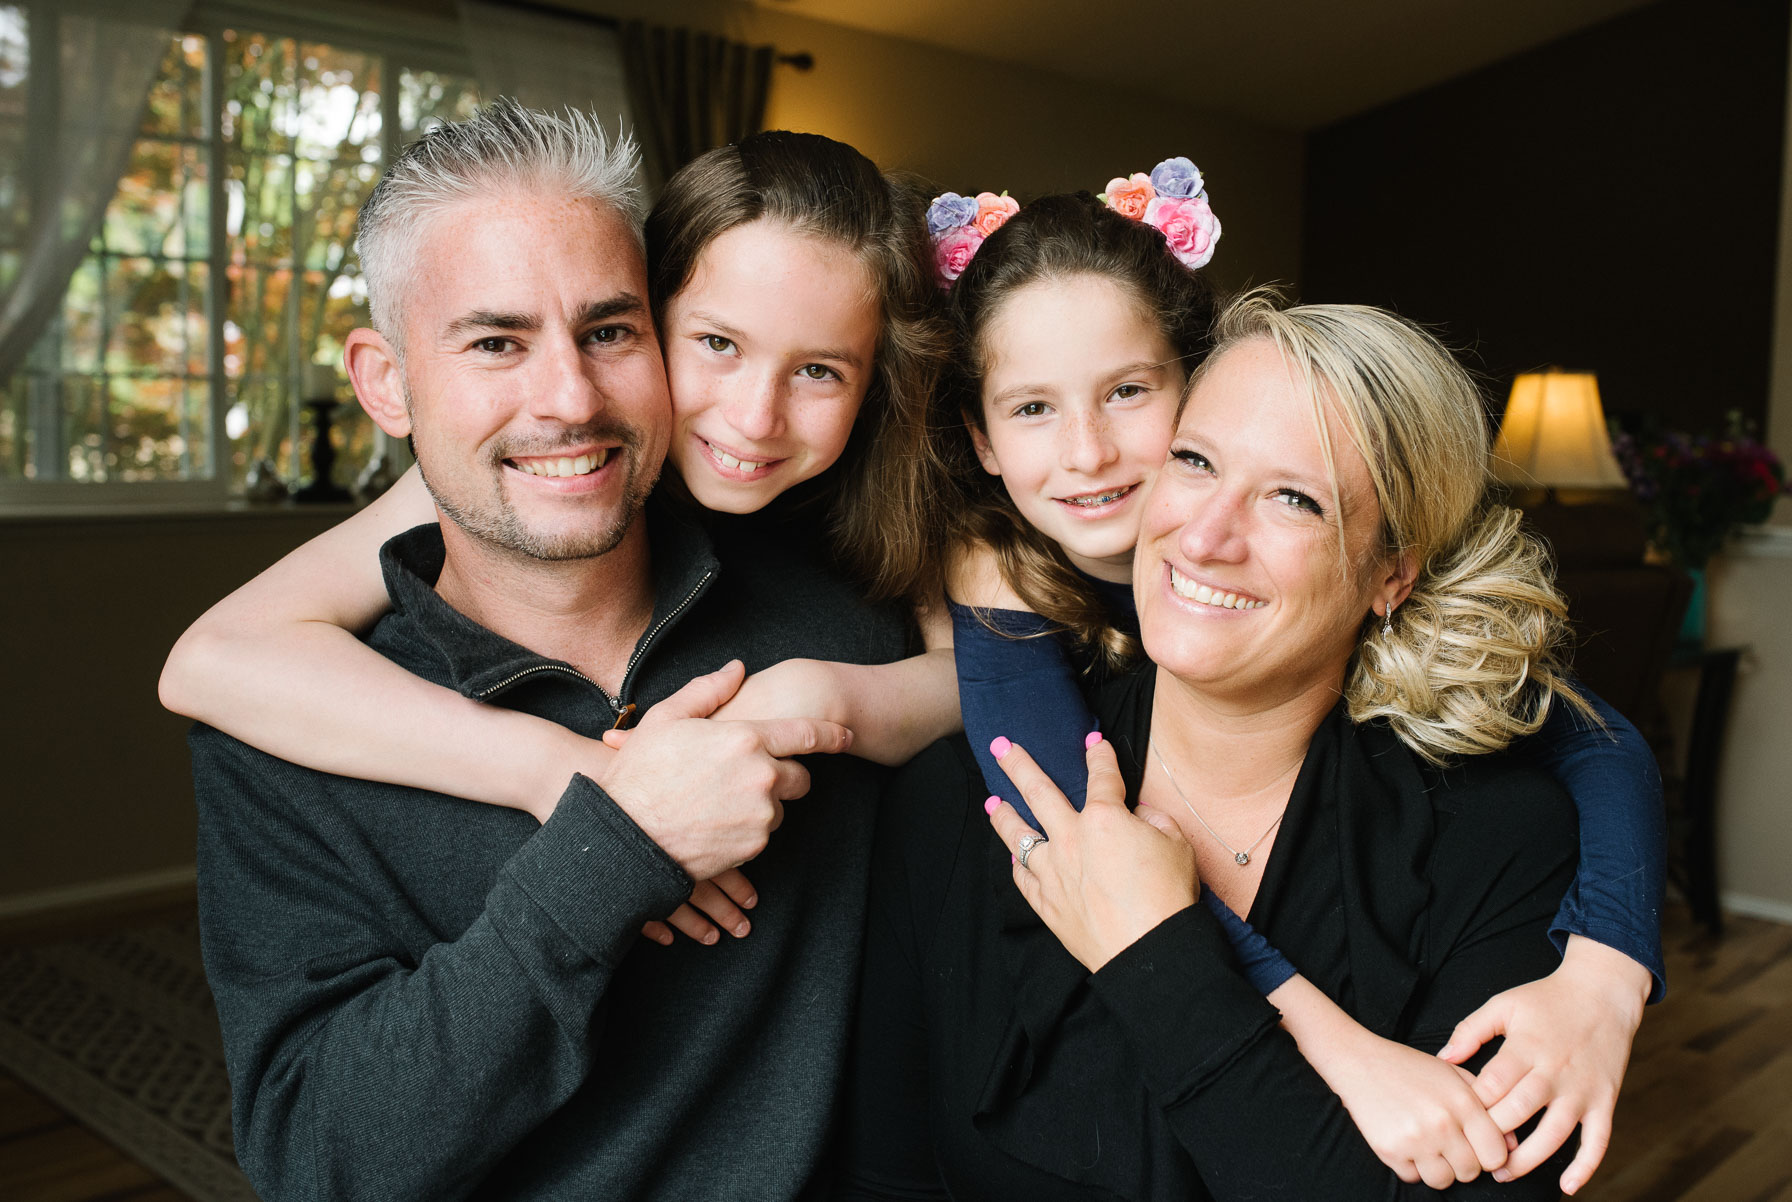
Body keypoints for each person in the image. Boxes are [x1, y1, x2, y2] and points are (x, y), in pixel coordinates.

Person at [192, 101, 903, 1200]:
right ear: (387, 383)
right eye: (495, 342)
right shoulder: (284, 732)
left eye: (610, 331)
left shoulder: (847, 631)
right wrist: (609, 848)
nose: (569, 398)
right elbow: (320, 1159)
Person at [903, 188, 1660, 1191]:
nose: (1205, 533)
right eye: (1198, 462)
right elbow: (1070, 839)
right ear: (984, 440)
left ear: (1395, 571)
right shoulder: (990, 677)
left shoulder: (1492, 837)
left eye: (1294, 496)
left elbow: (1595, 738)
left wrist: (1611, 962)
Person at [162, 122, 957, 947]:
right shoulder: (521, 460)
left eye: (820, 370)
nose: (756, 417)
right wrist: (564, 772)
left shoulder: (916, 477)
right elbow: (213, 659)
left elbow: (997, 667)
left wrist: (821, 698)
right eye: (717, 344)